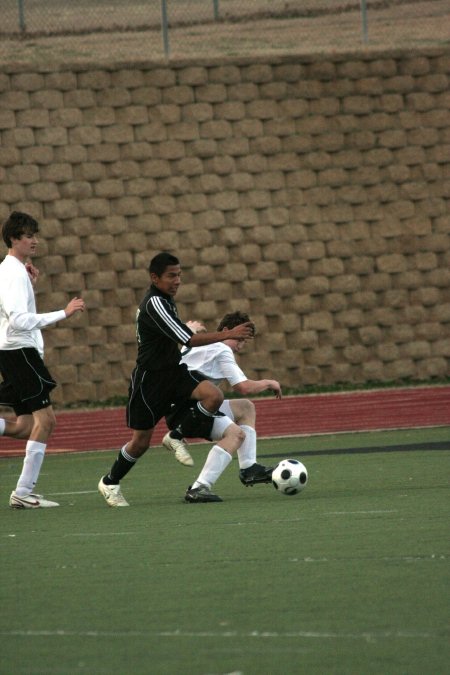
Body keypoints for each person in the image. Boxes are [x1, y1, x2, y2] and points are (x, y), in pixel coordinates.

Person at [97, 251, 254, 507]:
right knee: (141, 442)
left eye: (180, 275)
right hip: (150, 381)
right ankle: (110, 481)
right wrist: (228, 334)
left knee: (214, 395)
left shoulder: (166, 300)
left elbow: (176, 335)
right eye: (171, 276)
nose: (177, 280)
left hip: (174, 372)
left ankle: (176, 435)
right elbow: (187, 339)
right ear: (155, 277)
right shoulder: (155, 303)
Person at [0, 211, 86, 509]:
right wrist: (64, 312)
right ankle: (23, 492)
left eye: (35, 235)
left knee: (25, 426)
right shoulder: (11, 273)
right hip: (19, 352)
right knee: (46, 421)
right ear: (13, 238)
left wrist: (30, 286)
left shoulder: (14, 271)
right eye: (28, 236)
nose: (34, 240)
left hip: (14, 352)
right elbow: (19, 320)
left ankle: (24, 492)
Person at [163, 311, 282, 502]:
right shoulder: (221, 349)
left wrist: (190, 328)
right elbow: (243, 387)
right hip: (189, 409)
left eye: (244, 342)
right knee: (236, 434)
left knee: (245, 408)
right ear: (226, 331)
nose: (241, 347)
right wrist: (269, 383)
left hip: (178, 406)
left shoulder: (202, 342)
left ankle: (249, 468)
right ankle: (199, 487)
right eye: (240, 340)